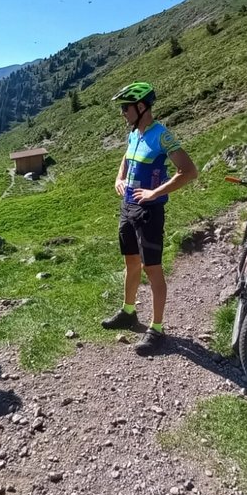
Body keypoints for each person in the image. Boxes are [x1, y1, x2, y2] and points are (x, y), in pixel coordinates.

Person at [101, 82, 198, 355]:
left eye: (125, 107)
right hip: (128, 207)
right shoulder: (135, 134)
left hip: (149, 212)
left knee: (151, 268)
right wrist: (119, 178)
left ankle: (157, 329)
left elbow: (189, 171)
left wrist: (156, 192)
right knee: (130, 261)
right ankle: (128, 312)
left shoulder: (161, 135)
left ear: (141, 107)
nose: (122, 112)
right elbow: (126, 159)